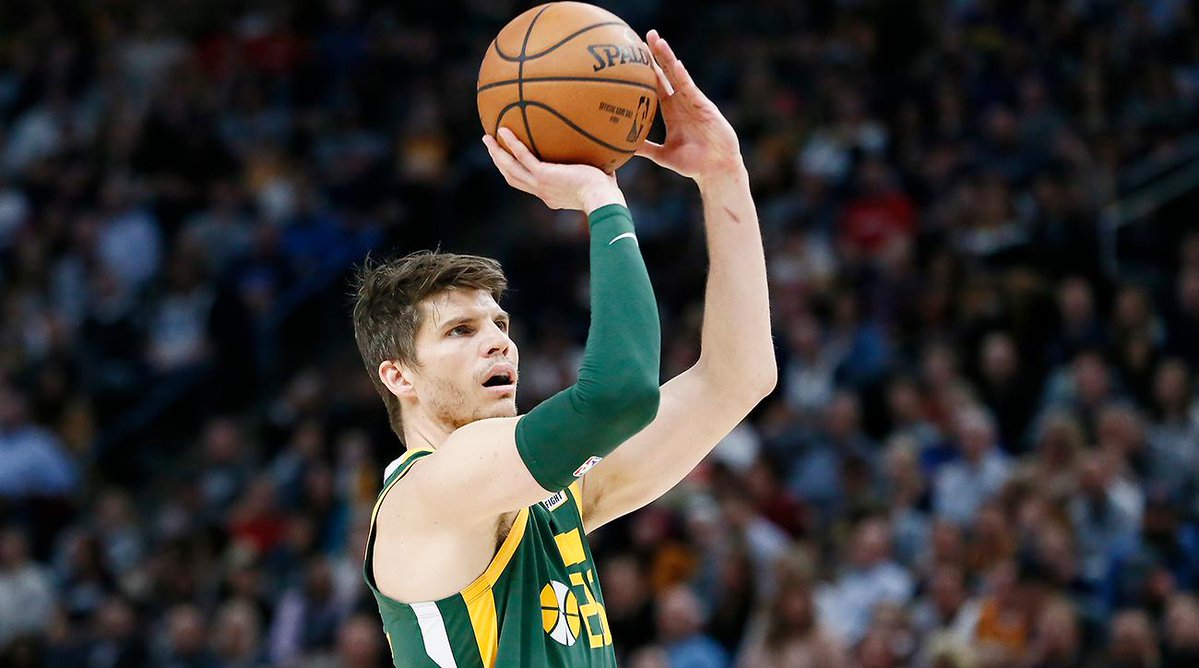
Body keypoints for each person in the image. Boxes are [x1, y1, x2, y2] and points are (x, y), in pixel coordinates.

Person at [353, 30, 775, 667]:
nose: (498, 342)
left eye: (499, 324)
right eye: (460, 331)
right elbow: (618, 394)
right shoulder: (429, 494)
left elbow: (738, 377)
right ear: (398, 377)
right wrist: (601, 200)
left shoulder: (550, 500)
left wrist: (723, 177)